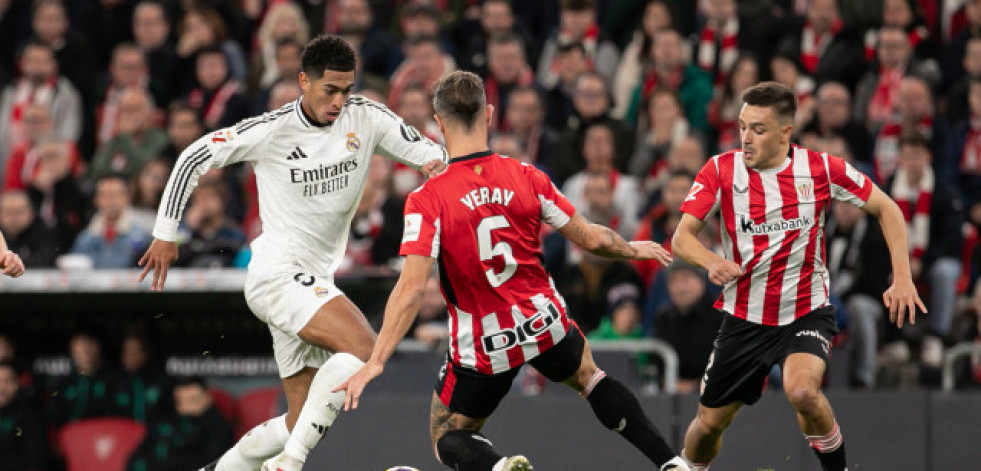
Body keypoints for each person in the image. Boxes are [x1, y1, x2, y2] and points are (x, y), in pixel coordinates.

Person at [336, 70, 690, 471]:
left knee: (447, 435)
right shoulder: (528, 176)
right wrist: (631, 248)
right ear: (488, 115)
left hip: (485, 341)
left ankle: (497, 466)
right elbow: (592, 239)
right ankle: (670, 462)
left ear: (438, 123)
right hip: (542, 320)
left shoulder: (428, 198)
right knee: (590, 378)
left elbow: (412, 288)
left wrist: (377, 359)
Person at [137, 35, 447, 471]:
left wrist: (437, 165)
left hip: (315, 283)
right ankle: (287, 466)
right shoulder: (272, 130)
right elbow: (192, 156)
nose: (340, 100)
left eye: (347, 89)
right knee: (364, 347)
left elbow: (432, 156)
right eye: (330, 90)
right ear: (304, 81)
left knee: (300, 420)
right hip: (277, 275)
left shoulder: (368, 118)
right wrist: (166, 233)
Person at [671, 81, 926, 471]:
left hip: (804, 310)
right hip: (744, 317)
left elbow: (887, 208)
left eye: (758, 129)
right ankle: (689, 466)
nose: (746, 138)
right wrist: (711, 261)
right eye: (742, 126)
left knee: (803, 391)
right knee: (707, 427)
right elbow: (681, 238)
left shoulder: (821, 169)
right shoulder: (720, 170)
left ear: (785, 132)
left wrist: (902, 277)